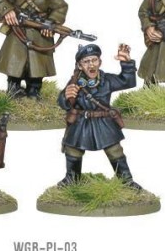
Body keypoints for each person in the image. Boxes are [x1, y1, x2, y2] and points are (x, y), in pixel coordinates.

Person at [57, 43, 141, 189]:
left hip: (104, 122)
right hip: (81, 122)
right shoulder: (75, 81)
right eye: (86, 61)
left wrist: (126, 63)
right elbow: (64, 103)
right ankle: (72, 179)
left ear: (100, 62)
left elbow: (127, 81)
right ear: (80, 65)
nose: (91, 64)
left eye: (94, 60)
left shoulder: (106, 80)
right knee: (73, 150)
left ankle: (126, 181)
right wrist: (65, 96)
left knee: (115, 151)